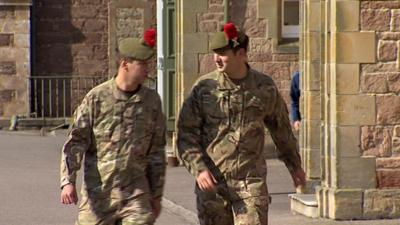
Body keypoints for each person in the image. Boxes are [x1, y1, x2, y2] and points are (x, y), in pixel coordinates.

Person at [177, 23, 306, 225]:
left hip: (250, 183)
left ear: (241, 54)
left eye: (223, 53)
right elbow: (185, 135)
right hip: (213, 186)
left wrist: (295, 167)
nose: (216, 59)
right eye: (215, 53)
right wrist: (199, 169)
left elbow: (281, 131)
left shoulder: (264, 87)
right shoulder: (204, 89)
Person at [59, 28, 166, 225]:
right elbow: (75, 143)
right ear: (125, 64)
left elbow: (156, 151)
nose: (147, 70)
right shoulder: (97, 98)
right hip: (99, 194)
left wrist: (156, 195)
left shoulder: (151, 102)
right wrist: (68, 182)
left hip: (136, 194)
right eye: (142, 64)